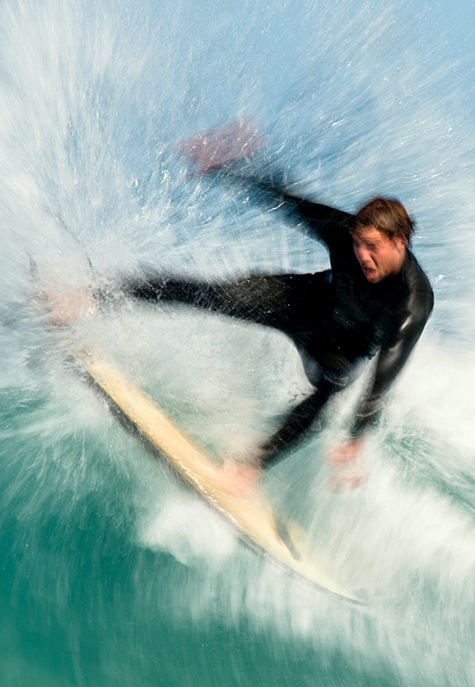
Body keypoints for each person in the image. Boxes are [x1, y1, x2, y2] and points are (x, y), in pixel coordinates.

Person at [53, 122, 434, 494]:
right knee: (215, 294)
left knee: (327, 392)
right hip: (304, 302)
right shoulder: (345, 232)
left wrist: (357, 438)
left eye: (373, 246)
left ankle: (249, 467)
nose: (362, 255)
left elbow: (385, 373)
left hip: (340, 350)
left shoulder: (413, 302)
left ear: (399, 241)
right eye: (358, 244)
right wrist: (227, 165)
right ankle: (90, 297)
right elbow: (288, 198)